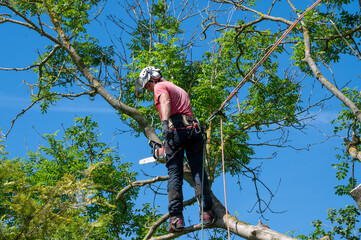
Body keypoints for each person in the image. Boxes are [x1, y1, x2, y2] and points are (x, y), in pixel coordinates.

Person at [136, 66, 215, 232]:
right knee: (198, 172)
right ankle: (207, 213)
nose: (150, 90)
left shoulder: (159, 86)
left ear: (152, 78)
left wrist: (165, 124)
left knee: (175, 174)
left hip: (176, 131)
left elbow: (165, 100)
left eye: (148, 86)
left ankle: (176, 218)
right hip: (193, 130)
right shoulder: (179, 89)